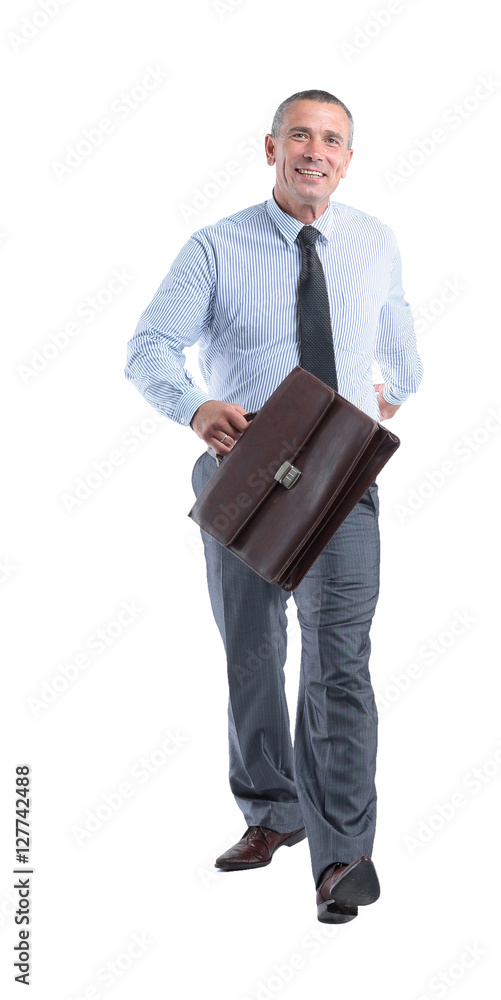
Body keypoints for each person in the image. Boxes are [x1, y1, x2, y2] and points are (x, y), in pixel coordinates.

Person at [125, 89, 423, 923]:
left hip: (341, 477)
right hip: (245, 471)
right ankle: (271, 808)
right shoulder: (215, 247)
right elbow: (148, 347)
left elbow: (401, 350)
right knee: (251, 651)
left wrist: (385, 396)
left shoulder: (375, 241)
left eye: (331, 139)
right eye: (299, 135)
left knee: (339, 661)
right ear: (271, 149)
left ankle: (342, 858)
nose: (314, 150)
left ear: (347, 159)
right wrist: (195, 407)